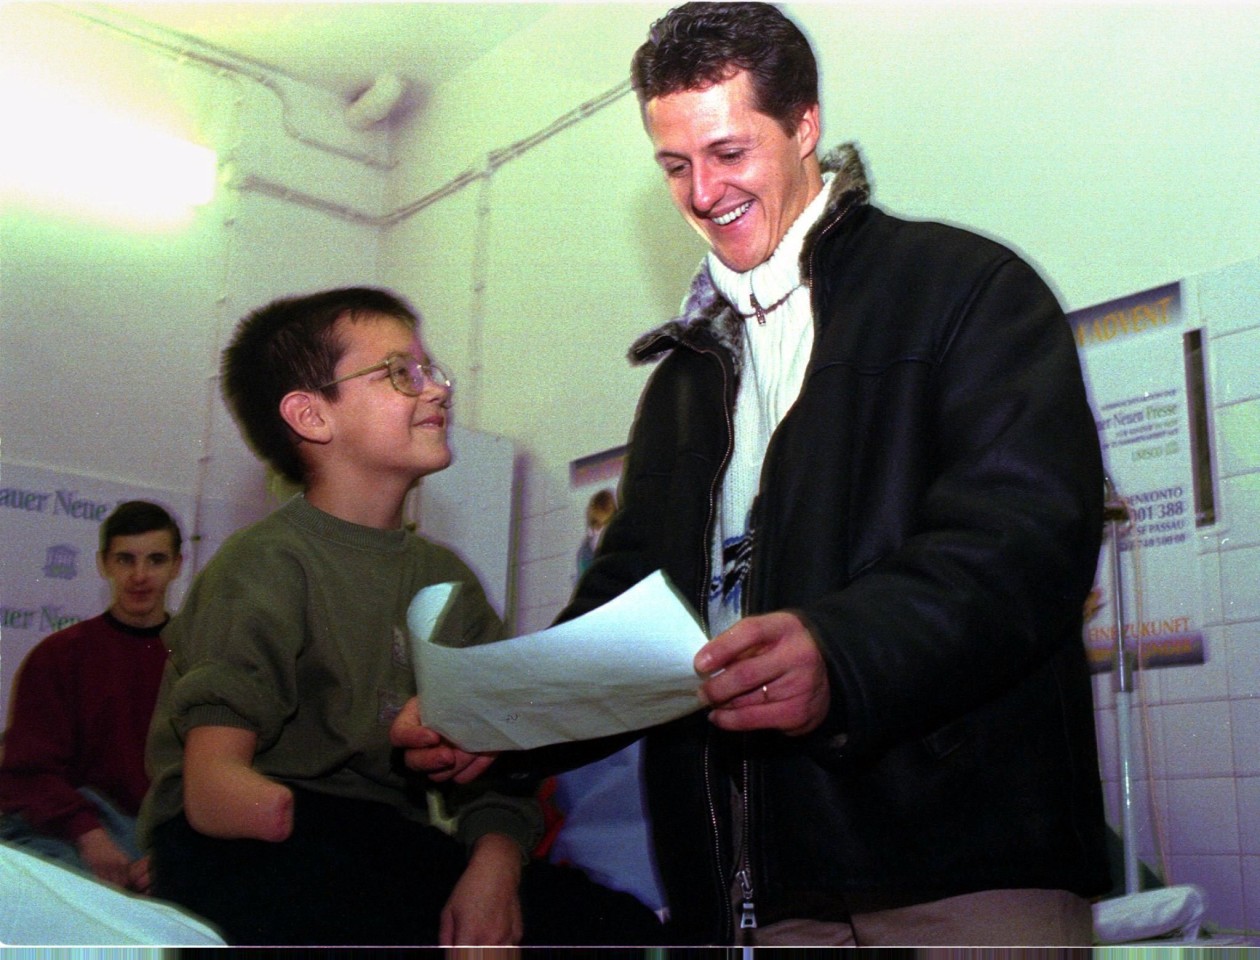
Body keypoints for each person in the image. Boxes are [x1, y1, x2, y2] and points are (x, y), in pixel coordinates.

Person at [397, 2, 1109, 947]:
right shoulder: (686, 381)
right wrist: (505, 722)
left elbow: (1024, 542)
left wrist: (840, 653)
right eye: (675, 165)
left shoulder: (965, 291)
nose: (702, 192)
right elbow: (635, 612)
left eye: (729, 153)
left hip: (957, 861)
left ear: (805, 125)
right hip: (756, 888)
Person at [138, 286, 661, 947]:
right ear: (311, 416)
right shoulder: (264, 564)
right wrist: (290, 819)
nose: (437, 389)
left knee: (616, 928)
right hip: (250, 840)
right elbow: (214, 790)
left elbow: (499, 775)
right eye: (400, 373)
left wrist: (492, 870)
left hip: (381, 839)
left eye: (431, 369)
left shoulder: (447, 583)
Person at [0, 500, 183, 893]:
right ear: (103, 564)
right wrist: (89, 836)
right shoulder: (59, 656)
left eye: (155, 559)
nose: (139, 575)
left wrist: (174, 852)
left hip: (166, 839)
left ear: (177, 566)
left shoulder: (199, 658)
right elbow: (26, 774)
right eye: (125, 559)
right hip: (73, 833)